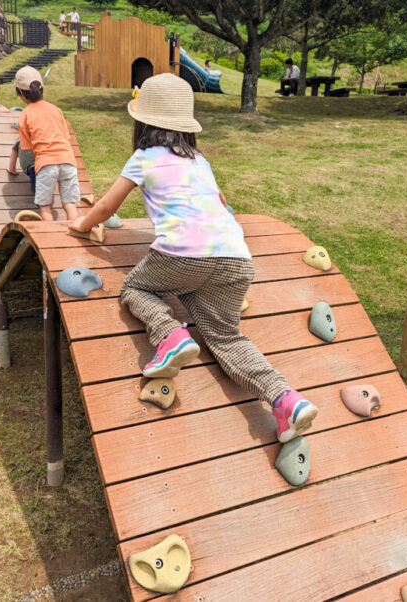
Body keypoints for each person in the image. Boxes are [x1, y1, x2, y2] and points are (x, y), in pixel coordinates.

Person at [70, 74, 318, 446]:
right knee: (226, 336)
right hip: (235, 258)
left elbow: (107, 206)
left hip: (182, 254)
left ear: (143, 123)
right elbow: (219, 202)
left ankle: (169, 336)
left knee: (135, 289)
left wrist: (79, 225)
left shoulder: (144, 157)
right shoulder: (200, 160)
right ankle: (285, 400)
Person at [14, 66, 79, 221]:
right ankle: (77, 236)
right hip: (68, 162)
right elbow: (65, 136)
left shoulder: (25, 115)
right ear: (41, 88)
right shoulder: (56, 110)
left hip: (46, 163)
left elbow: (27, 147)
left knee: (45, 207)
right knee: (69, 204)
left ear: (21, 93)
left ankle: (50, 240)